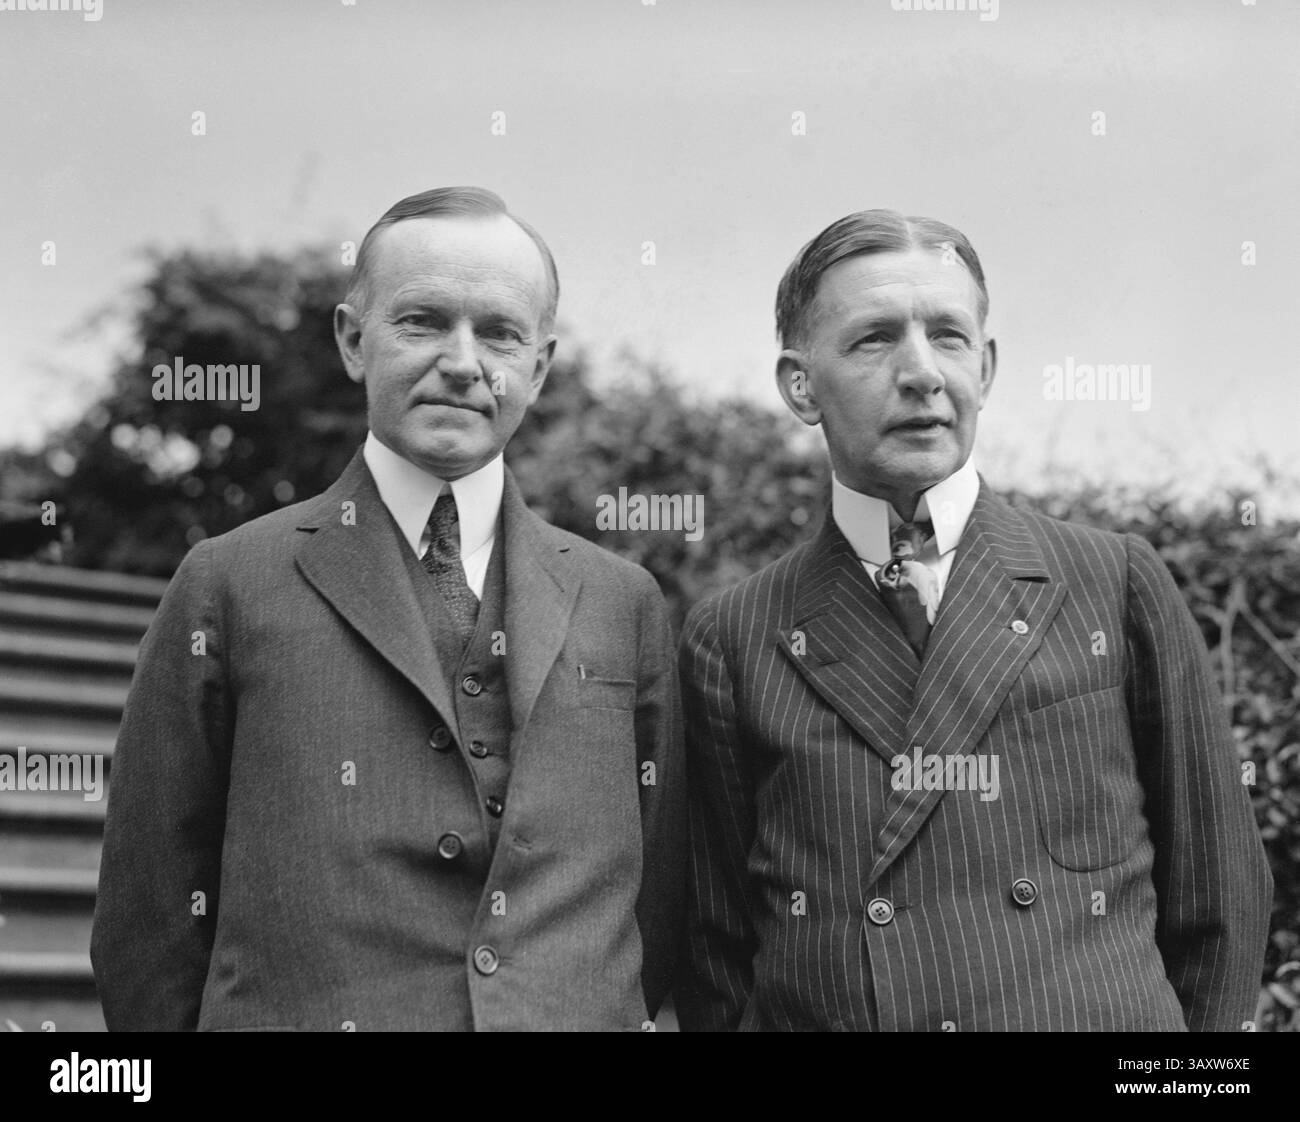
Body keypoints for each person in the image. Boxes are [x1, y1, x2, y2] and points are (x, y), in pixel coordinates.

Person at [92, 186, 684, 1031]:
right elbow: (147, 919)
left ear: (540, 367)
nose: (463, 361)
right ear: (352, 341)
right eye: (423, 321)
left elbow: (656, 902)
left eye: (501, 333)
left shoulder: (622, 599)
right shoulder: (227, 581)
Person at [676, 208, 1271, 1031]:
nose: (921, 372)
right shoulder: (734, 636)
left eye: (948, 336)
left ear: (984, 368)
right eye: (874, 339)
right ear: (798, 384)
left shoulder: (1112, 579)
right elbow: (716, 953)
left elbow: (1222, 896)